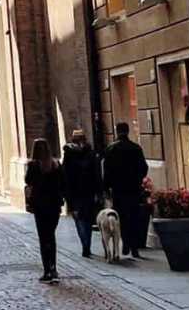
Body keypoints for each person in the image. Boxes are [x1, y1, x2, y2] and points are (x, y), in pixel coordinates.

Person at [102, 121, 149, 258]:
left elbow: (107, 171)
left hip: (118, 189)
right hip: (133, 188)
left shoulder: (111, 149)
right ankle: (134, 247)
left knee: (121, 217)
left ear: (117, 131)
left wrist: (106, 188)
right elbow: (143, 168)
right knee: (134, 217)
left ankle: (126, 242)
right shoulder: (135, 148)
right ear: (128, 131)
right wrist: (138, 179)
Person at [25, 138, 65, 283]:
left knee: (44, 238)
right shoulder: (55, 164)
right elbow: (62, 183)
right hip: (54, 206)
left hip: (40, 206)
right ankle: (53, 268)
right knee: (51, 236)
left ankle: (47, 270)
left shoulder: (33, 165)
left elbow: (28, 181)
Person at [62, 129, 102, 257]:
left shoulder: (69, 154)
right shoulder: (90, 153)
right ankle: (87, 245)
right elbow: (97, 174)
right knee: (88, 220)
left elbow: (65, 176)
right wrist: (99, 191)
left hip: (75, 192)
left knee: (79, 219)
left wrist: (65, 193)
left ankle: (85, 244)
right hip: (88, 191)